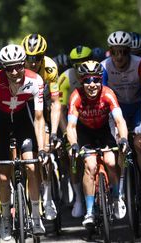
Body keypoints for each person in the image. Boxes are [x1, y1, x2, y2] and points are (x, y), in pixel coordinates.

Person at [0, 44, 47, 240]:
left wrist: (43, 148)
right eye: (9, 68)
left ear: (24, 64)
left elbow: (38, 118)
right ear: (3, 68)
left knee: (31, 166)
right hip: (1, 124)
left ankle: (36, 217)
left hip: (23, 122)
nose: (14, 72)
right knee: (3, 176)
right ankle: (5, 220)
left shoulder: (35, 80)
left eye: (18, 66)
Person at [66, 60, 129, 226]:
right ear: (82, 82)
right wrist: (73, 145)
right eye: (87, 80)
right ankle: (89, 211)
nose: (92, 84)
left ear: (101, 80)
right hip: (84, 132)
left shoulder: (108, 94)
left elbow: (120, 121)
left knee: (110, 161)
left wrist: (123, 139)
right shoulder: (76, 97)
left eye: (95, 80)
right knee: (90, 166)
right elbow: (71, 126)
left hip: (103, 130)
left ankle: (116, 196)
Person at [102, 31, 141, 211]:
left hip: (138, 106)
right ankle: (120, 191)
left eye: (123, 52)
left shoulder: (140, 64)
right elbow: (104, 97)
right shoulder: (104, 66)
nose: (119, 56)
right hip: (117, 108)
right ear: (110, 52)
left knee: (139, 144)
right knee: (119, 148)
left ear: (130, 52)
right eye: (115, 52)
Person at [22, 33, 61, 220]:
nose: (32, 62)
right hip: (24, 107)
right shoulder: (18, 68)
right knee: (27, 161)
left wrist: (53, 132)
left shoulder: (50, 68)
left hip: (43, 107)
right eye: (29, 58)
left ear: (43, 56)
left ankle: (47, 197)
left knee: (43, 154)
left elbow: (55, 103)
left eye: (37, 58)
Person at [57, 45, 93, 218]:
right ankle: (79, 198)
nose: (80, 67)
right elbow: (61, 111)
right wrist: (65, 135)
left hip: (95, 118)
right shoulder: (65, 78)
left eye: (83, 62)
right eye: (76, 64)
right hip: (74, 121)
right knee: (73, 157)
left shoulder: (98, 72)